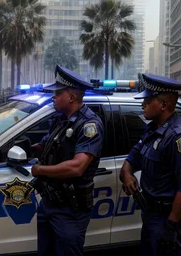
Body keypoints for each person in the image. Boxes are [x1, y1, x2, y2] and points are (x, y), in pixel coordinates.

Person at [119, 74, 181, 256]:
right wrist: (127, 175)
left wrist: (171, 227)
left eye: (148, 101)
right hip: (151, 215)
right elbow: (131, 160)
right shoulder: (152, 129)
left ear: (163, 105)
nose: (143, 104)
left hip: (170, 219)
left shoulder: (180, 138)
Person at [30, 65, 104, 256]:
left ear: (71, 97)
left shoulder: (89, 125)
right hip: (49, 202)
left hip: (70, 209)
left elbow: (77, 167)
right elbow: (48, 146)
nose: (53, 96)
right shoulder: (60, 120)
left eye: (57, 93)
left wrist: (39, 170)